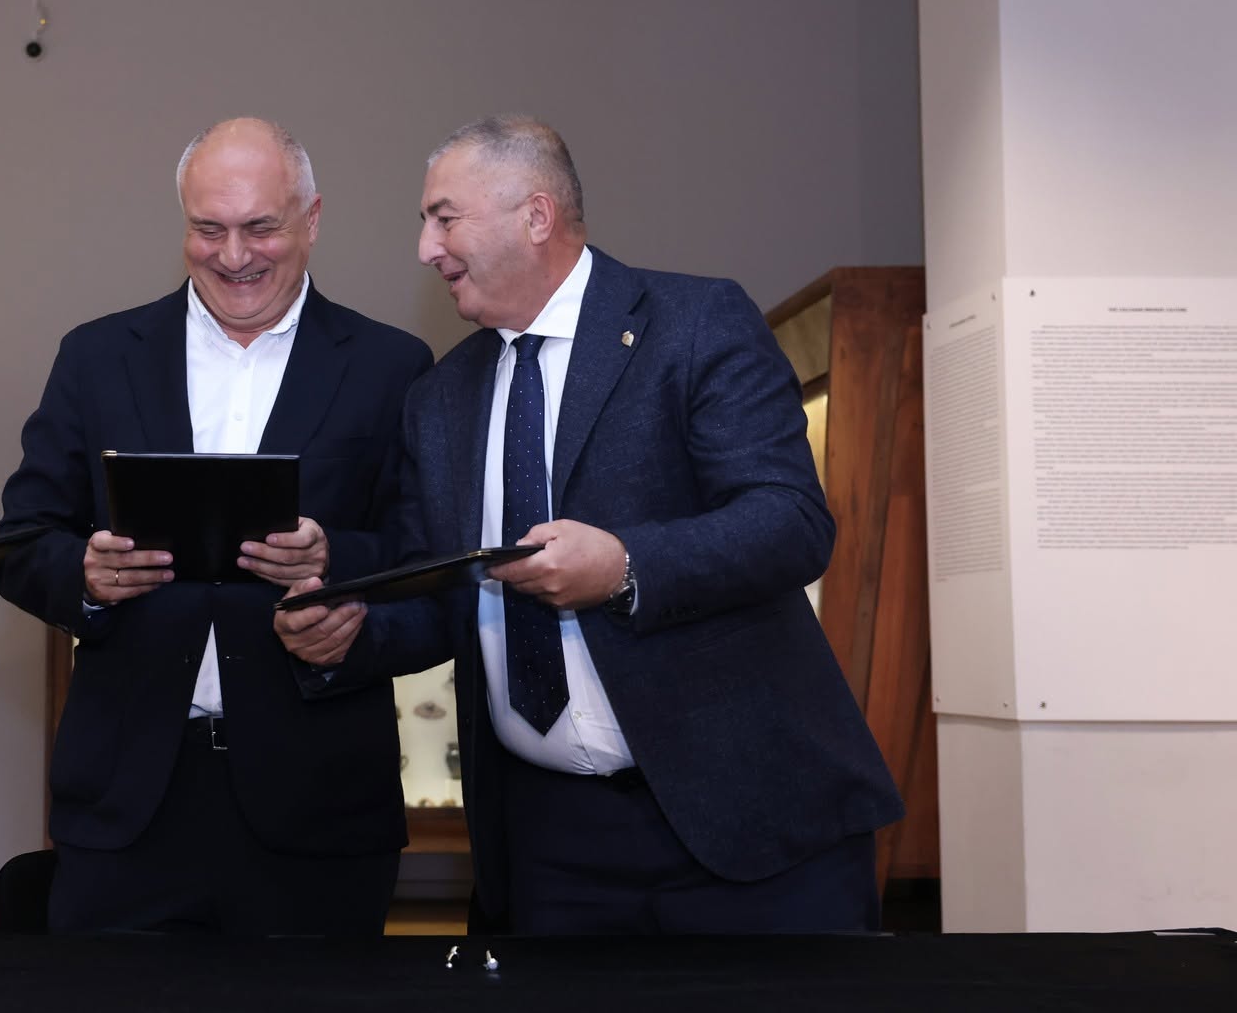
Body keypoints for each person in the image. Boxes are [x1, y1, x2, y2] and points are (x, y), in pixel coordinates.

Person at [274, 114, 901, 935]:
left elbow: (789, 521)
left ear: (535, 216)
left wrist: (625, 566)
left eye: (444, 218)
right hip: (548, 848)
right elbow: (449, 594)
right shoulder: (441, 398)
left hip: (742, 827)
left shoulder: (695, 323)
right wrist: (351, 633)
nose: (426, 248)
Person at [0, 117, 432, 935]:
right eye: (208, 229)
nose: (234, 255)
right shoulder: (97, 357)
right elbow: (21, 542)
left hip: (319, 808)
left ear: (312, 219)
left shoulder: (391, 366)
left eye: (260, 227)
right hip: (128, 807)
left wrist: (334, 562)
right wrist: (84, 577)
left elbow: (428, 564)